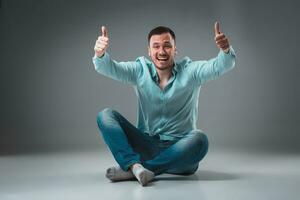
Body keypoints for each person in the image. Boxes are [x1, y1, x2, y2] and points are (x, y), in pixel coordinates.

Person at [93, 22, 236, 186]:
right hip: (146, 147)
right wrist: (100, 54)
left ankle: (133, 169)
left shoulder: (191, 71)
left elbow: (220, 65)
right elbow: (110, 68)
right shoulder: (140, 70)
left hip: (181, 154)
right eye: (156, 46)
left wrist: (225, 50)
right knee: (105, 115)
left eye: (167, 46)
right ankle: (137, 166)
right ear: (149, 51)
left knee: (200, 139)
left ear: (175, 49)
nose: (161, 51)